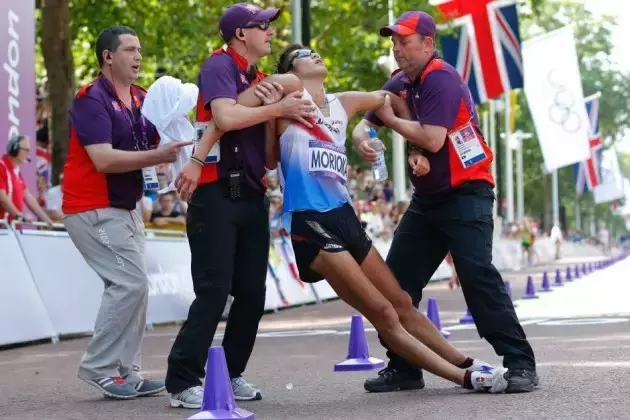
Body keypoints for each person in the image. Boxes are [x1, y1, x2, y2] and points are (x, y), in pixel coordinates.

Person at [183, 43, 512, 395]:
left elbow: (391, 101)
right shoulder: (282, 103)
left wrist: (399, 142)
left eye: (315, 51)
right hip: (309, 223)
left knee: (401, 301)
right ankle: (466, 379)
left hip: (344, 216)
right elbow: (249, 143)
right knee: (384, 312)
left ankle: (468, 363)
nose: (315, 54)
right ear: (291, 71)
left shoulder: (346, 102)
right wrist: (206, 154)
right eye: (304, 55)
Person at [351, 11, 538, 393]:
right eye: (394, 41)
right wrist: (364, 138)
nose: (397, 48)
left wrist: (392, 122)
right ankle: (405, 365)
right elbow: (366, 120)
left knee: (476, 275)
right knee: (396, 284)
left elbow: (433, 139)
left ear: (428, 43)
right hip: (428, 199)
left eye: (404, 41)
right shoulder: (401, 81)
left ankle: (520, 362)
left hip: (468, 194)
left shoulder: (441, 78)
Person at [165, 3, 317, 409]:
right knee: (214, 291)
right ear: (240, 34)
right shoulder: (219, 66)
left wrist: (278, 106)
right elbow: (225, 117)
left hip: (251, 194)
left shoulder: (261, 77)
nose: (270, 31)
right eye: (262, 26)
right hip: (214, 195)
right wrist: (278, 108)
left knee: (252, 292)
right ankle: (182, 379)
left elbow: (267, 156)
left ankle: (229, 374)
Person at [61, 26, 190, 400]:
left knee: (136, 288)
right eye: (131, 50)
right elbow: (102, 159)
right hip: (91, 208)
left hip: (126, 207)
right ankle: (99, 368)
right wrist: (157, 157)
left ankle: (126, 372)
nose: (138, 57)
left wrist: (165, 162)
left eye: (140, 50)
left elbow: (156, 146)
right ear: (107, 56)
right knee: (129, 283)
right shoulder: (90, 99)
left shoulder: (142, 98)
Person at [0, 134, 53, 225]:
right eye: (27, 150)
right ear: (15, 149)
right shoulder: (2, 167)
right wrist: (19, 215)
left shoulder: (16, 172)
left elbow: (28, 197)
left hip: (11, 229)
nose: (29, 153)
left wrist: (48, 221)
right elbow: (2, 198)